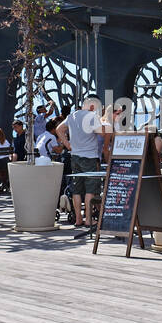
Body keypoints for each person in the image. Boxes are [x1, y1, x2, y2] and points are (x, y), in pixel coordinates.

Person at [57, 98, 104, 236]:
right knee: (90, 188)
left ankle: (78, 218)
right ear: (91, 106)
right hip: (89, 156)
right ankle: (89, 219)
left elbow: (59, 129)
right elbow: (101, 133)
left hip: (75, 156)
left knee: (77, 188)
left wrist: (67, 144)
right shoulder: (92, 116)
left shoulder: (72, 116)